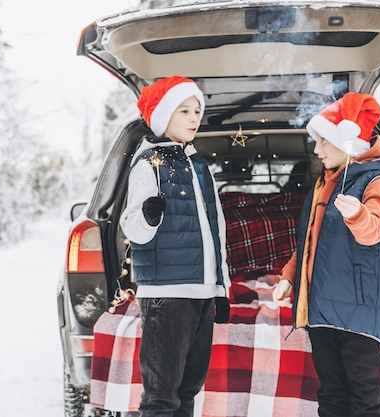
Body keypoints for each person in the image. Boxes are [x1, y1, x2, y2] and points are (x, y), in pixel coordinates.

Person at [272, 92, 380, 417]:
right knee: (331, 397)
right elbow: (310, 242)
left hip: (359, 315)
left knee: (365, 401)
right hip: (322, 310)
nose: (316, 151)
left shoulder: (377, 179)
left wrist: (358, 214)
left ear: (346, 141)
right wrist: (290, 277)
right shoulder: (326, 181)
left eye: (322, 142)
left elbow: (374, 230)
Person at [120, 75, 231, 417]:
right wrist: (149, 218)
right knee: (161, 395)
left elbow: (217, 231)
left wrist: (220, 287)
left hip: (201, 294)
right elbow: (132, 227)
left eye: (197, 110)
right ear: (164, 116)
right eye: (184, 110)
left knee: (187, 390)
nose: (194, 117)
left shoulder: (199, 166)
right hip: (167, 294)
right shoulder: (148, 164)